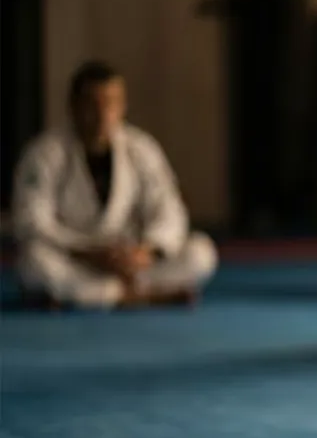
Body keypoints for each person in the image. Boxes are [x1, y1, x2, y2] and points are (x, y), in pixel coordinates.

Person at [11, 61, 218, 309]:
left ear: (123, 106)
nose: (103, 114)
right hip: (76, 257)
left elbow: (169, 208)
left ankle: (94, 296)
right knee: (35, 262)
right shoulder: (45, 153)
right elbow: (31, 221)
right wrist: (88, 253)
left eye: (111, 103)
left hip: (128, 261)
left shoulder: (141, 148)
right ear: (73, 106)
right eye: (92, 104)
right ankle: (138, 297)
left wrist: (147, 252)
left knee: (200, 253)